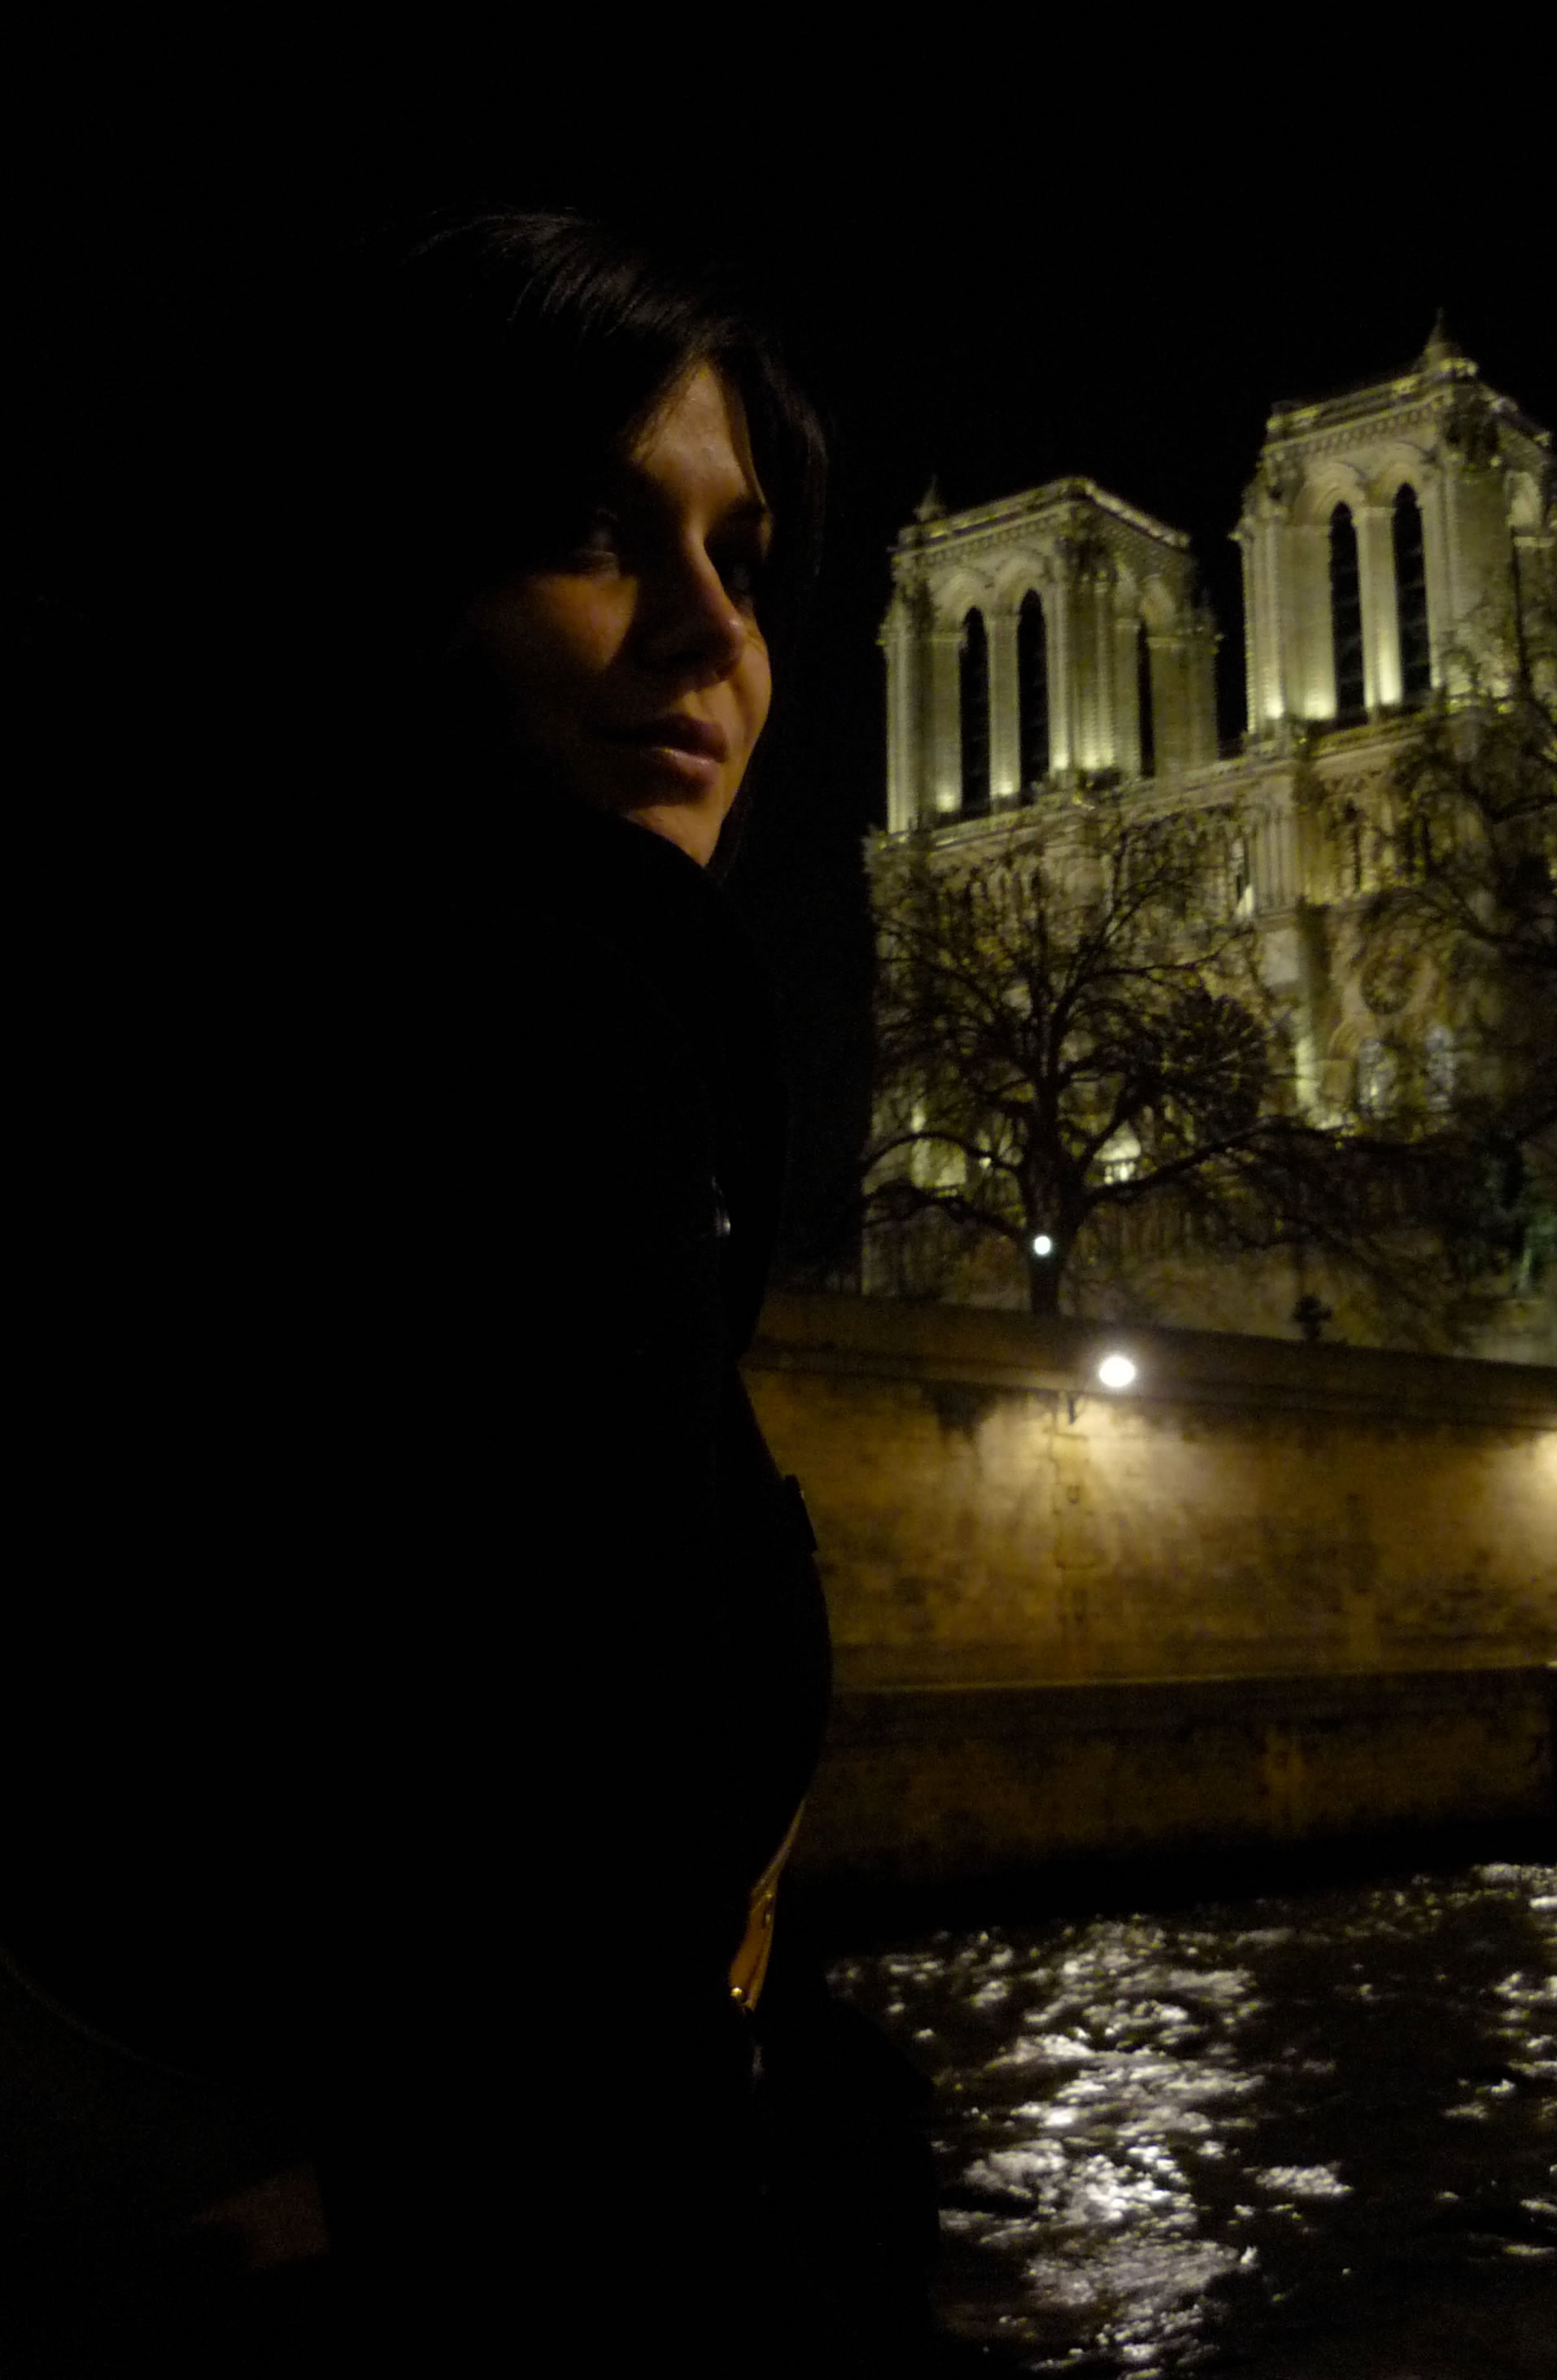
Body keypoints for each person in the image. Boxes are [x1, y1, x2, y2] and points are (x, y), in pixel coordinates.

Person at [4, 210, 934, 2366]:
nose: (711, 635)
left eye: (747, 558)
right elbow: (521, 1908)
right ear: (390, 578)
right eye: (595, 535)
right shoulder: (501, 1051)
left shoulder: (320, 1013)